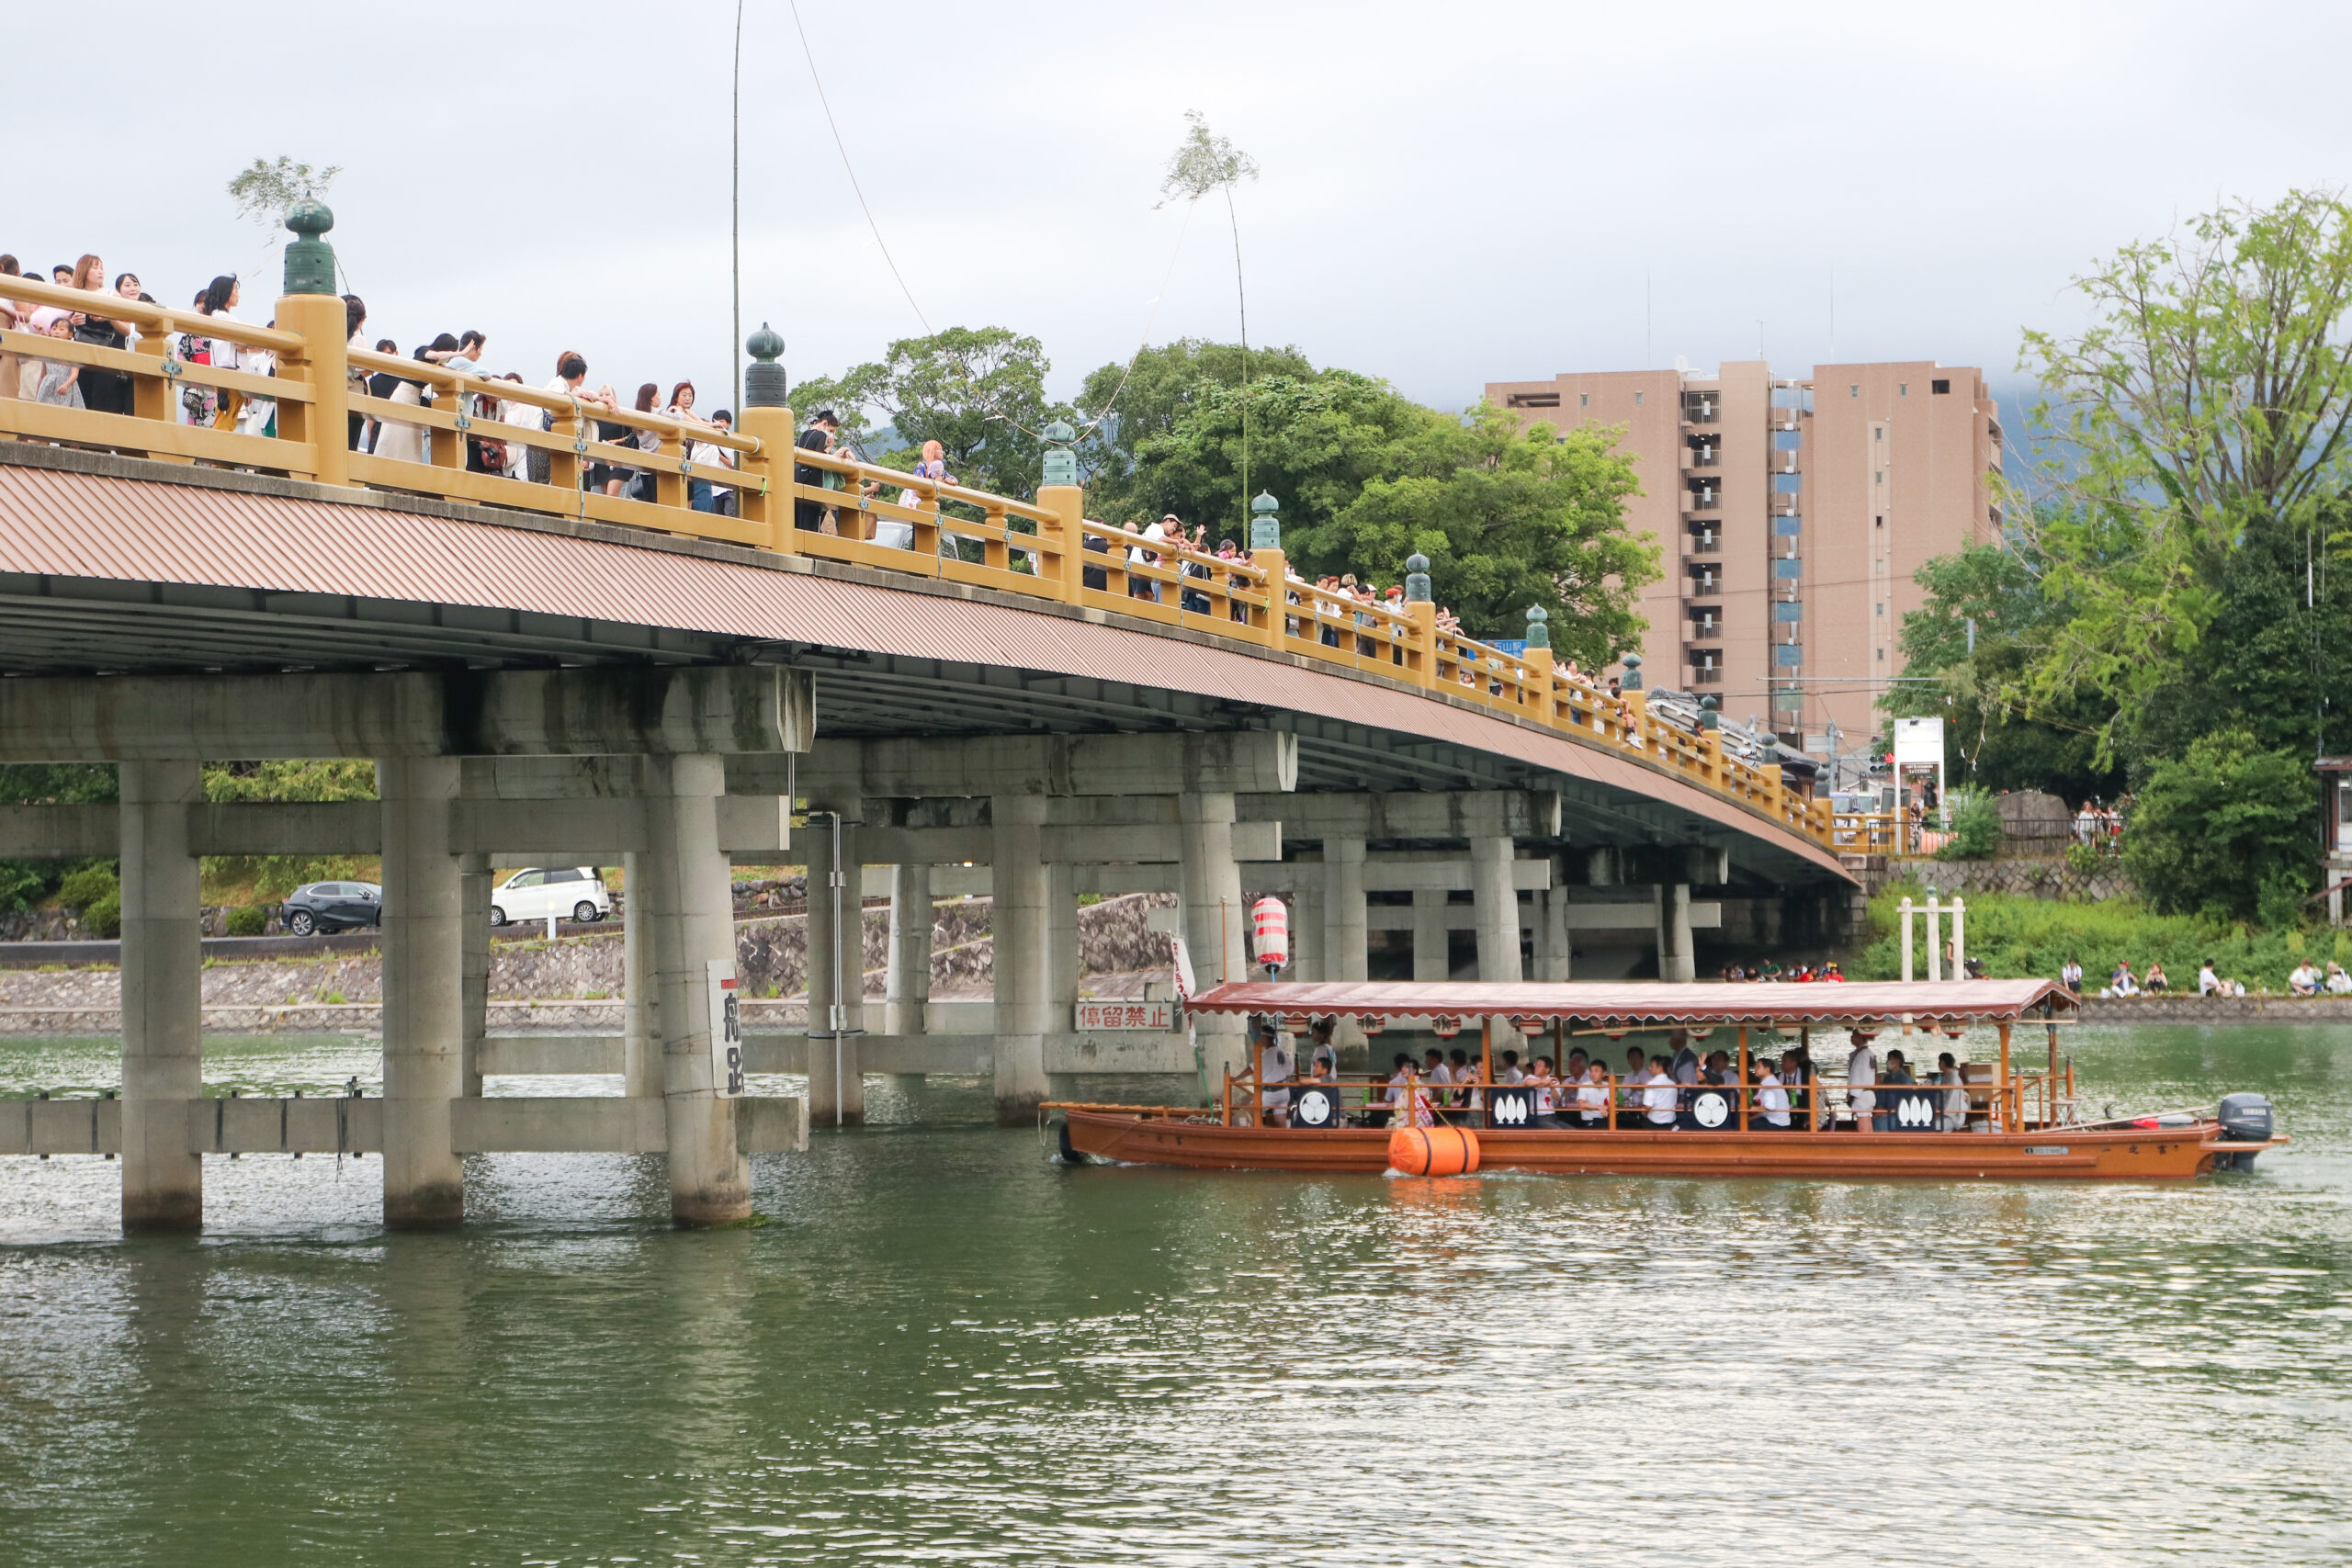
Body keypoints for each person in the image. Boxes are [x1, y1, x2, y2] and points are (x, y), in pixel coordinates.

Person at [66, 255, 134, 414]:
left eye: (101, 268)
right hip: (79, 356)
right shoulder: (73, 294)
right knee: (79, 403)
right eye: (95, 267)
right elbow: (59, 324)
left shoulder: (111, 295)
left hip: (104, 355)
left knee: (102, 402)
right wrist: (71, 321)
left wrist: (109, 318)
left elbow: (127, 329)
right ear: (84, 270)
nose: (100, 272)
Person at [795, 410, 842, 532]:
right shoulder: (821, 435)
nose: (832, 435)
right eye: (831, 431)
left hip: (798, 481)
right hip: (813, 483)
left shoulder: (802, 436)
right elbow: (819, 458)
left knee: (798, 520)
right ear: (824, 424)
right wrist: (830, 449)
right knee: (812, 524)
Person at [33, 311, 84, 408]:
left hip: (65, 384)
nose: (56, 331)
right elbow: (43, 374)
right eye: (54, 329)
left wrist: (66, 385)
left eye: (61, 329)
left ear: (70, 335)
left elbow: (74, 374)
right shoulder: (48, 351)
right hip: (48, 385)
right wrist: (39, 391)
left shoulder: (72, 351)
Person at [1256, 1021, 1293, 1127]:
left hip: (1271, 1092)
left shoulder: (1267, 1053)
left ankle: (1259, 1133)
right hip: (1283, 1090)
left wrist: (1237, 1078)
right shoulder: (1280, 1052)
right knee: (1280, 1121)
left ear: (1263, 1037)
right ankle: (1284, 1140)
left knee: (1252, 1109)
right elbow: (1289, 1069)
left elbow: (1252, 1068)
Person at [1846, 1030, 1878, 1132]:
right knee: (1867, 1120)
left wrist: (1851, 1092)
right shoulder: (1870, 1053)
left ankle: (1866, 1145)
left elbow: (1856, 1075)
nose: (1851, 1037)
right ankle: (1871, 1144)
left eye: (1853, 1035)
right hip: (1869, 1092)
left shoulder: (1861, 1055)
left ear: (1860, 1037)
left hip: (1861, 1094)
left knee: (1862, 1124)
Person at [1878, 1048, 1917, 1132]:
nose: (1887, 1062)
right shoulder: (1887, 1078)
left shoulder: (1905, 1079)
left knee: (1880, 1122)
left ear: (1897, 1061)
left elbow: (1906, 1101)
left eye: (1889, 1059)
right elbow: (1882, 1095)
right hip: (1887, 1111)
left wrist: (1887, 1112)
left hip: (1900, 1114)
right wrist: (1880, 1108)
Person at [1641, 1054, 1679, 1129]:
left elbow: (1648, 1106)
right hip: (1670, 1122)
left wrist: (1643, 1113)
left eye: (1652, 1066)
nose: (1649, 1068)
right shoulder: (1673, 1084)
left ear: (1660, 1068)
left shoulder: (1651, 1084)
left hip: (1654, 1123)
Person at [1754, 1055, 1792, 1130]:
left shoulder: (1770, 1085)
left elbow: (1770, 1107)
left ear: (1767, 1069)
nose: (1755, 1069)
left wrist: (1755, 1108)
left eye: (1758, 1067)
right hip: (1777, 1121)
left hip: (1776, 1124)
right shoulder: (1770, 1082)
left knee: (1747, 1126)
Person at [1616, 1043, 1648, 1129]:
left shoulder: (1648, 1075)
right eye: (1631, 1058)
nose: (1634, 1061)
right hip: (1630, 1111)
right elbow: (1621, 1094)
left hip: (1645, 1111)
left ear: (1642, 1059)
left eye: (1636, 1058)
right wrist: (1631, 1087)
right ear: (1628, 1061)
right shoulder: (1628, 1076)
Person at [1936, 1050, 1969, 1133]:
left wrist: (1940, 1114)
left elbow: (1952, 1102)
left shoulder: (1954, 1080)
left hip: (1952, 1117)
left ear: (1942, 1063)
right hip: (1942, 1112)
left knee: (1932, 1125)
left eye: (1939, 1062)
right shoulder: (1946, 1077)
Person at [1575, 1059, 1612, 1127]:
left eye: (1596, 1071)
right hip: (1590, 1121)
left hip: (1605, 1119)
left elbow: (1611, 1104)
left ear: (1603, 1073)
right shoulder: (1584, 1086)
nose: (1593, 1074)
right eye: (1591, 1071)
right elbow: (1582, 1104)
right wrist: (1598, 1107)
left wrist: (1607, 1109)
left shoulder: (1609, 1086)